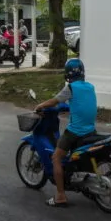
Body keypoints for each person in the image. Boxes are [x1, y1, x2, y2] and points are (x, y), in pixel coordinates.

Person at [33, 58, 97, 208]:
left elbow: (54, 101)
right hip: (91, 130)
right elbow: (83, 105)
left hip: (76, 132)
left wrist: (40, 105)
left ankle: (60, 196)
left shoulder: (71, 88)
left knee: (56, 157)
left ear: (68, 73)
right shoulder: (90, 86)